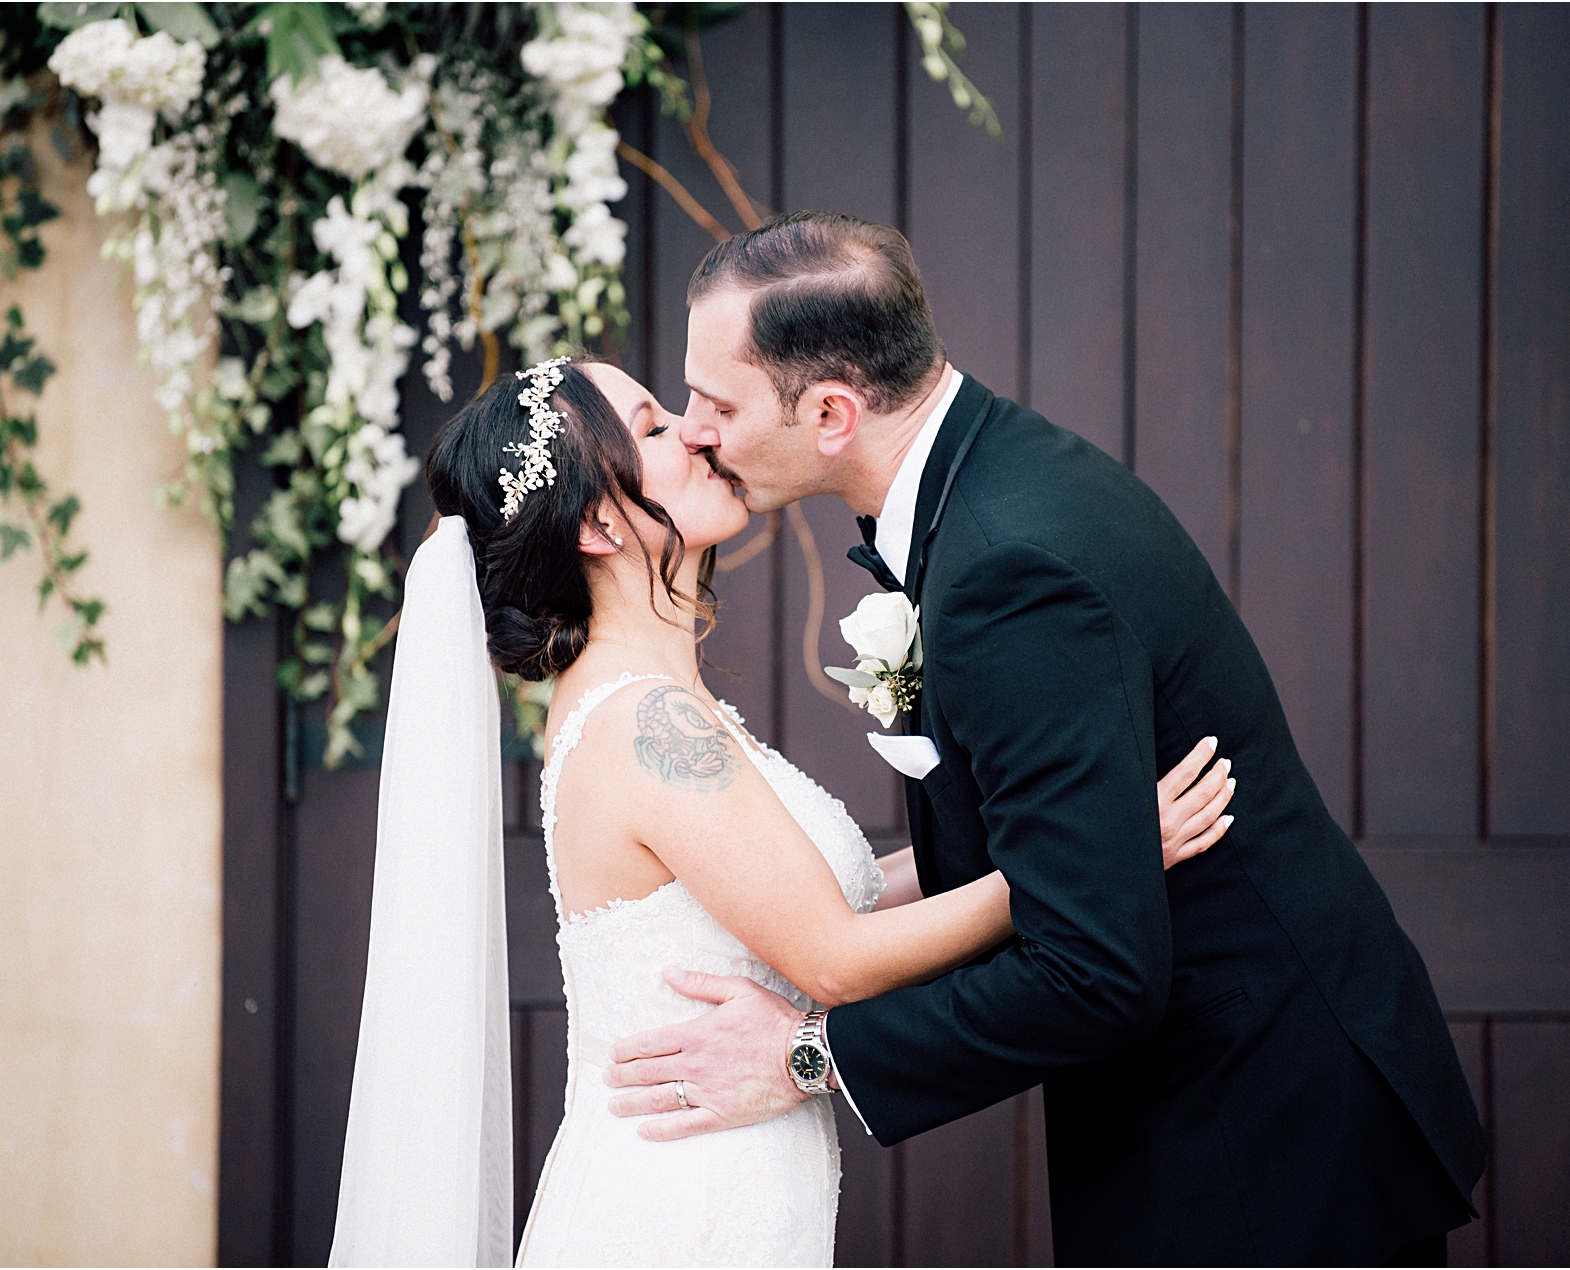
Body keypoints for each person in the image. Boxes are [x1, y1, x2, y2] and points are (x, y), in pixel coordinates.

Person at [601, 211, 1489, 1267]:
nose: (698, 431)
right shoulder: (991, 479)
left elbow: (1095, 970)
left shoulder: (1004, 570)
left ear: (832, 412)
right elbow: (1042, 864)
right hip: (1258, 1098)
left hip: (1257, 1145)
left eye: (717, 403)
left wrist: (805, 1056)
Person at [327, 354, 1236, 1267]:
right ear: (600, 521)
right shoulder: (644, 722)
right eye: (651, 428)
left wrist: (1065, 824)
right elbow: (837, 958)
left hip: (725, 1180)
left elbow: (827, 903)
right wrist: (1097, 855)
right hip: (679, 1212)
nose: (692, 432)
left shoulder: (646, 701)